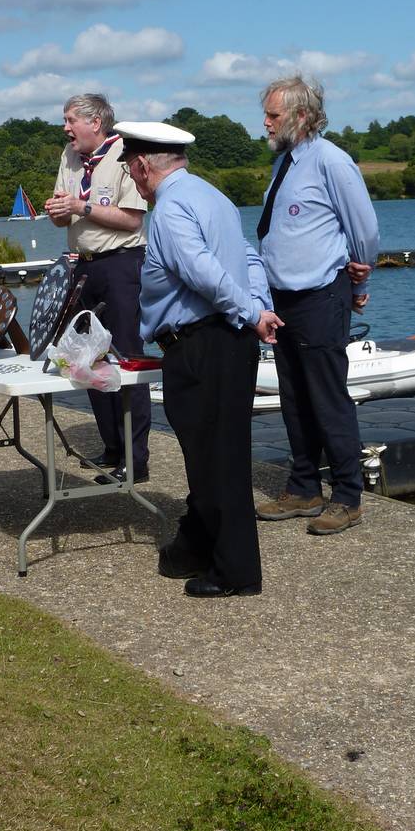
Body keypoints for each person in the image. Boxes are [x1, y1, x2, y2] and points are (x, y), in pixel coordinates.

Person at [113, 120, 282, 598]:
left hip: (201, 343)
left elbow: (200, 270)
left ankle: (236, 573)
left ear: (144, 165)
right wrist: (259, 306)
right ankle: (202, 548)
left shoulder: (168, 210)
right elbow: (248, 257)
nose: (133, 180)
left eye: (130, 169)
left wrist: (251, 311)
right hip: (226, 340)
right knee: (216, 456)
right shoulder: (214, 198)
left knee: (215, 461)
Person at [254, 76, 380, 536]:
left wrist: (362, 272)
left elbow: (363, 227)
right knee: (294, 399)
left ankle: (347, 496)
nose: (265, 122)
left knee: (328, 399)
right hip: (283, 300)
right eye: (266, 114)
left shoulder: (330, 161)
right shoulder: (286, 163)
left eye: (273, 114)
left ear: (302, 116)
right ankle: (304, 487)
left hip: (321, 295)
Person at [45, 94, 151, 483]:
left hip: (121, 265)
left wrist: (79, 207)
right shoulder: (70, 156)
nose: (66, 127)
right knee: (84, 359)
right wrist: (60, 212)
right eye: (65, 120)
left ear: (96, 122)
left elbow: (131, 219)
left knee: (125, 360)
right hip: (82, 266)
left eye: (71, 120)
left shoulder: (126, 153)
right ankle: (111, 447)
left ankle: (136, 460)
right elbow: (64, 215)